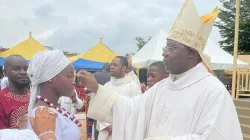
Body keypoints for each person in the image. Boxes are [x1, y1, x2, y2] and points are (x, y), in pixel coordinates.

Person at [77, 0, 243, 139]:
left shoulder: (213, 91)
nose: (164, 52)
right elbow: (131, 110)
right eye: (165, 46)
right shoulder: (161, 88)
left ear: (191, 53)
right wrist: (97, 88)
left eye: (171, 47)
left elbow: (215, 136)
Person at [27, 50, 80, 140]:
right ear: (50, 78)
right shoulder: (43, 116)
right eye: (69, 76)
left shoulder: (53, 110)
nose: (73, 82)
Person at [97, 56, 141, 140]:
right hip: (107, 131)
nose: (112, 67)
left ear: (124, 68)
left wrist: (119, 127)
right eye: (111, 64)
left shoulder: (133, 87)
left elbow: (136, 111)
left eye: (115, 65)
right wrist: (106, 126)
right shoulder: (106, 86)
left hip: (124, 133)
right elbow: (99, 110)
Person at [0, 55, 30, 129]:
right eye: (16, 69)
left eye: (26, 68)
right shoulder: (1, 99)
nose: (23, 72)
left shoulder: (36, 98)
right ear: (5, 73)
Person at [92, 62, 111, 140]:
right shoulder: (112, 77)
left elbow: (88, 90)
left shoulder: (95, 75)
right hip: (108, 104)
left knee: (97, 124)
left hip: (96, 103)